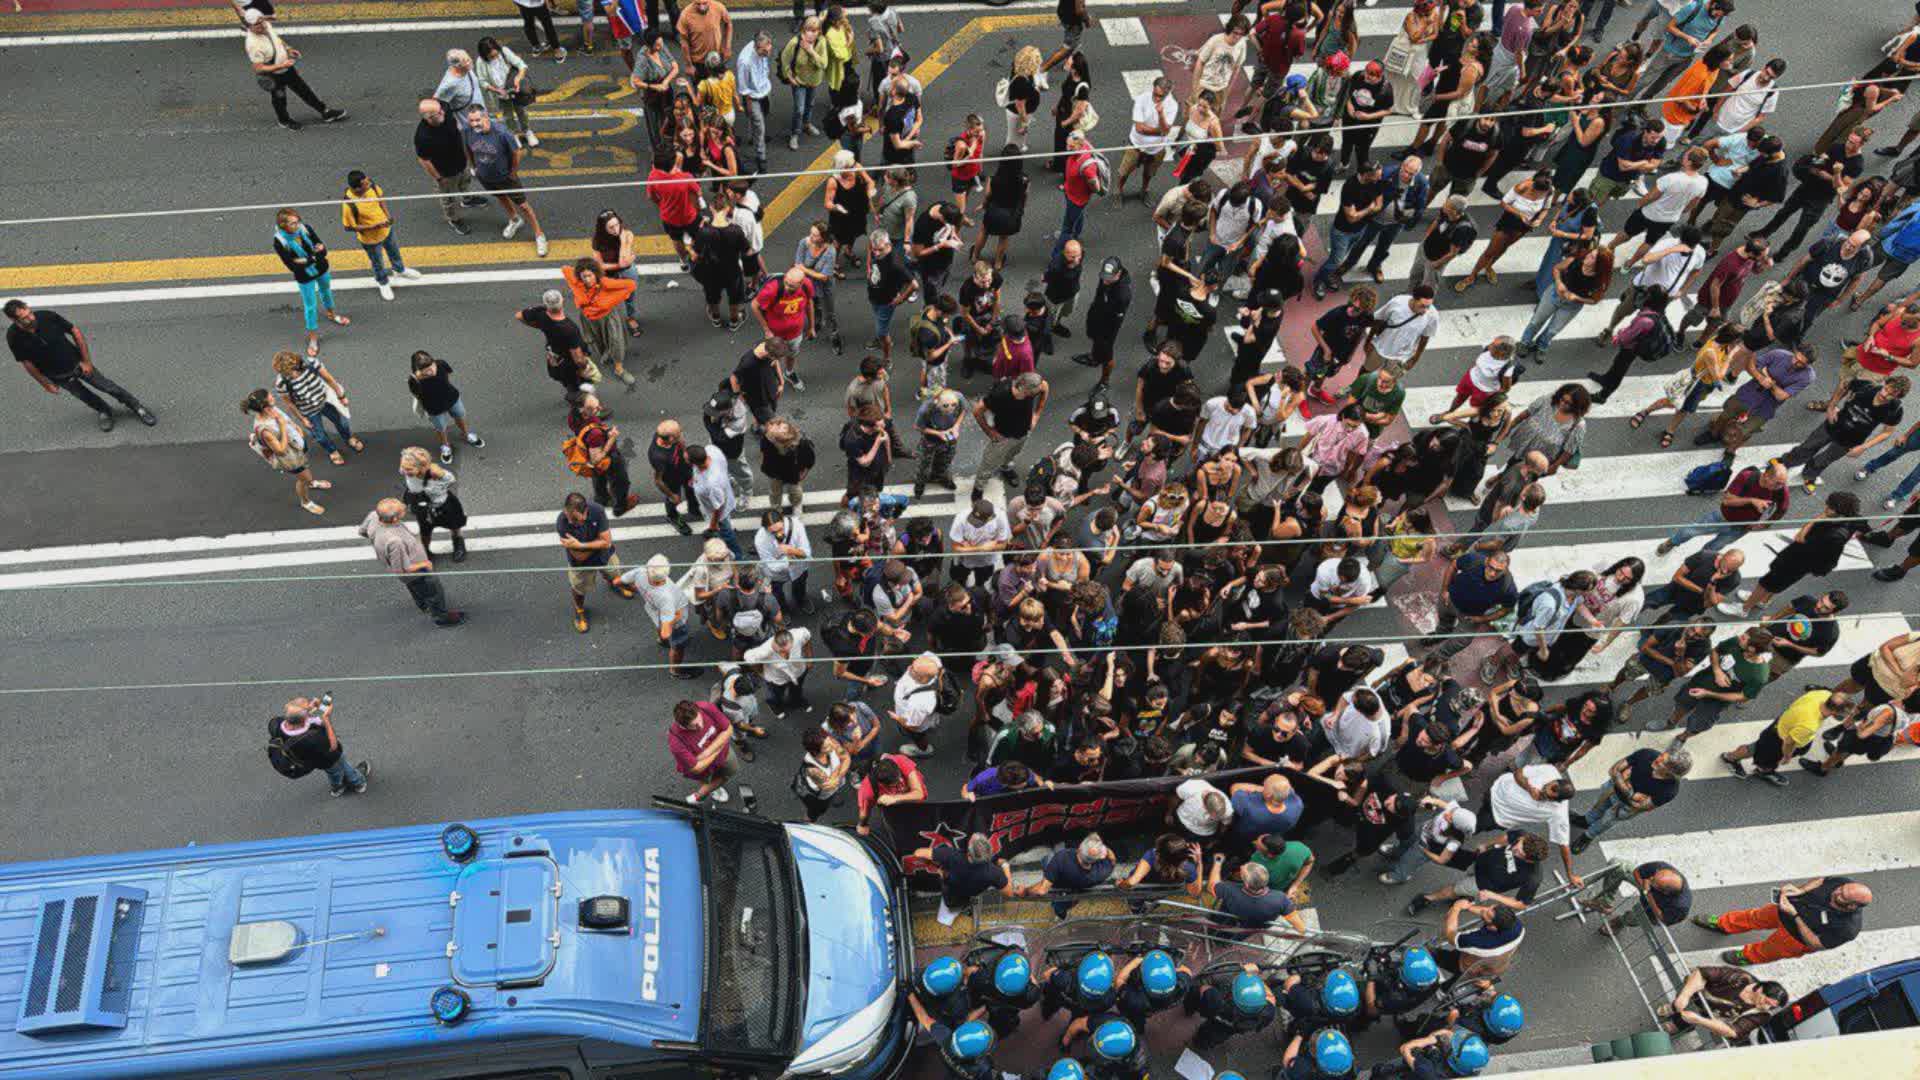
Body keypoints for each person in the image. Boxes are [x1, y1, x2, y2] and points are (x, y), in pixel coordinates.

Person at [5, 301, 156, 433]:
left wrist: (86, 361)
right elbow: (26, 362)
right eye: (25, 318)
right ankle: (104, 410)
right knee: (84, 396)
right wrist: (46, 384)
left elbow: (74, 331)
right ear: (13, 320)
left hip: (78, 364)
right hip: (58, 376)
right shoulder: (13, 336)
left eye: (30, 312)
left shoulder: (47, 316)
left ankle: (136, 406)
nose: (31, 318)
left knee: (109, 387)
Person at [1695, 877, 1872, 967]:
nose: (1836, 893)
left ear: (1852, 906)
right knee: (1752, 917)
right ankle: (1722, 924)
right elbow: (1822, 880)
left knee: (1767, 951)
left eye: (1842, 896)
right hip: (1784, 909)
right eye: (1840, 889)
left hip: (1795, 939)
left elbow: (1816, 944)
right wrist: (1799, 890)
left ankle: (1746, 957)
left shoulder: (1848, 929)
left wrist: (1795, 916)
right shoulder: (1845, 884)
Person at [357, 496, 465, 627]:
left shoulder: (374, 516)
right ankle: (441, 617)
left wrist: (378, 540)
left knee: (415, 588)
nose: (404, 507)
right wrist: (425, 564)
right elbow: (402, 570)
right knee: (434, 591)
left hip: (408, 574)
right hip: (416, 572)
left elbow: (362, 531)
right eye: (401, 510)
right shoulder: (394, 541)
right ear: (394, 519)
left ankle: (424, 606)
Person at [243, 9, 346, 130]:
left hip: (286, 67)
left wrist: (288, 49)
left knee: (304, 90)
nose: (262, 25)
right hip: (274, 75)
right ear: (249, 26)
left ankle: (325, 112)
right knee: (280, 99)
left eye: (262, 21)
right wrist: (281, 66)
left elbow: (276, 39)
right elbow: (258, 68)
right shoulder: (253, 44)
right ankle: (284, 121)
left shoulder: (266, 26)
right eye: (257, 24)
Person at [1571, 748, 1690, 852]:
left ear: (1672, 773)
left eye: (1662, 763)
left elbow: (1643, 806)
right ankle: (1586, 820)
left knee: (1605, 822)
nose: (1657, 759)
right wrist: (1631, 794)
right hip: (1613, 790)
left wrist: (1622, 779)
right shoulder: (1647, 754)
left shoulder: (1670, 790)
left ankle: (1587, 836)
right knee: (1598, 807)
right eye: (1661, 756)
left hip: (1625, 807)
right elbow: (1614, 769)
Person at [271, 208, 349, 360]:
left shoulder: (305, 229)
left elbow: (323, 249)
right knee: (310, 306)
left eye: (297, 221)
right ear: (283, 226)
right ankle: (313, 338)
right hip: (305, 276)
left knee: (326, 291)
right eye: (293, 223)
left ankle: (332, 314)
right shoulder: (280, 241)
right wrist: (314, 256)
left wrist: (308, 259)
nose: (297, 225)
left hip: (320, 268)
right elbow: (292, 265)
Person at [557, 491, 639, 633]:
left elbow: (606, 543)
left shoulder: (597, 511)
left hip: (605, 555)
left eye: (576, 520)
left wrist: (581, 546)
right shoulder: (562, 522)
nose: (571, 522)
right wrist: (598, 544)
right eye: (569, 517)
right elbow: (579, 557)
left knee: (614, 573)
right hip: (581, 564)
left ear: (586, 512)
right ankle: (579, 609)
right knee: (579, 588)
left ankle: (615, 584)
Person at [337, 170, 421, 303]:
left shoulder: (372, 187)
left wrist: (388, 216)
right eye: (365, 184)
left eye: (368, 181)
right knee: (377, 262)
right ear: (357, 188)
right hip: (370, 239)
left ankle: (399, 269)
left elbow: (381, 201)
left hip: (386, 230)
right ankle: (383, 282)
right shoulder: (349, 205)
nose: (369, 184)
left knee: (394, 251)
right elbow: (349, 227)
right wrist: (373, 227)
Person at [271, 695, 369, 796]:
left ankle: (337, 788)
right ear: (304, 718)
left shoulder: (276, 723)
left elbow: (296, 718)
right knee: (342, 766)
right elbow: (333, 746)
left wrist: (308, 709)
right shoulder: (313, 738)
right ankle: (358, 783)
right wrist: (326, 720)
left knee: (332, 773)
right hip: (329, 758)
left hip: (314, 760)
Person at [1660, 966, 1787, 1042]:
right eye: (1766, 1002)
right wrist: (1685, 995)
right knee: (1681, 1002)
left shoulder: (1763, 1014)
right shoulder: (1740, 978)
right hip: (1699, 997)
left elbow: (1733, 1031)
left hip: (1712, 1017)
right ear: (1760, 989)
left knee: (1687, 1020)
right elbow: (1703, 972)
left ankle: (1678, 1025)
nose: (1767, 1007)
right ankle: (1673, 1007)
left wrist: (1698, 1020)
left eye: (1772, 1007)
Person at [670, 698, 738, 804]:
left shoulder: (705, 707)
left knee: (731, 770)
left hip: (722, 755)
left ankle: (701, 795)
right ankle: (701, 795)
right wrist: (718, 748)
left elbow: (729, 729)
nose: (700, 726)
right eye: (694, 726)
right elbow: (696, 768)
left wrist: (707, 753)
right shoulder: (676, 741)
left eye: (700, 720)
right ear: (683, 725)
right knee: (706, 780)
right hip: (705, 767)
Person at [855, 753, 926, 835]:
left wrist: (894, 798)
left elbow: (919, 793)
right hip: (895, 808)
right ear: (883, 784)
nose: (900, 781)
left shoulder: (900, 760)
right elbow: (864, 811)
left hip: (911, 800)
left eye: (899, 776)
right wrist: (863, 824)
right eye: (896, 783)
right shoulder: (867, 790)